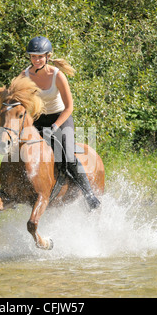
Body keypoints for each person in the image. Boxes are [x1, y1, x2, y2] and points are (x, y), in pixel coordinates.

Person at [20, 36, 101, 211]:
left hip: (61, 119)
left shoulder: (57, 75)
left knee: (68, 155)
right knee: (19, 151)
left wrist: (55, 126)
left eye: (40, 56)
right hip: (37, 120)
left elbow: (69, 107)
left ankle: (89, 195)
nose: (36, 60)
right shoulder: (24, 75)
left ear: (48, 57)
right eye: (33, 56)